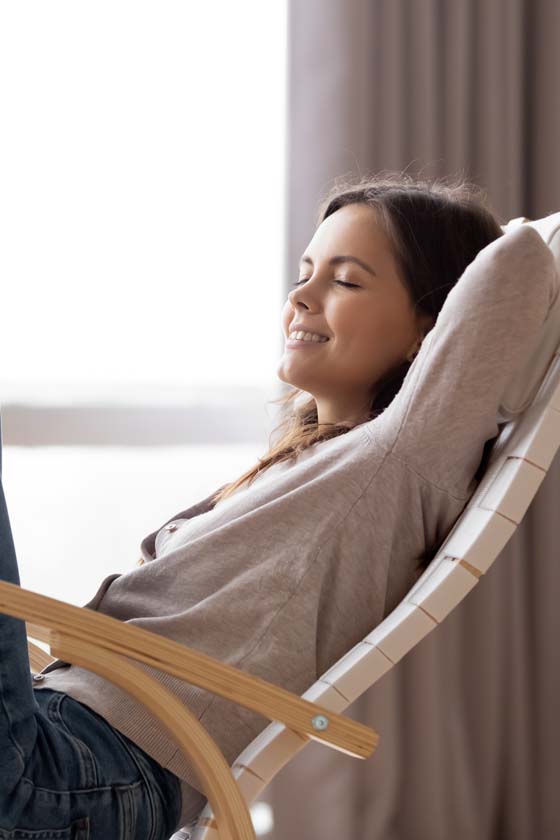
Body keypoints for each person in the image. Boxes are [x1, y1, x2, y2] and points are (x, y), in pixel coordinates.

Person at [1, 171, 557, 838]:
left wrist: (538, 230)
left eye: (346, 280)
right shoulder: (307, 467)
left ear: (429, 331)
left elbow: (519, 263)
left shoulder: (402, 459)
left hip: (71, 777)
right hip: (54, 739)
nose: (301, 295)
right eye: (306, 271)